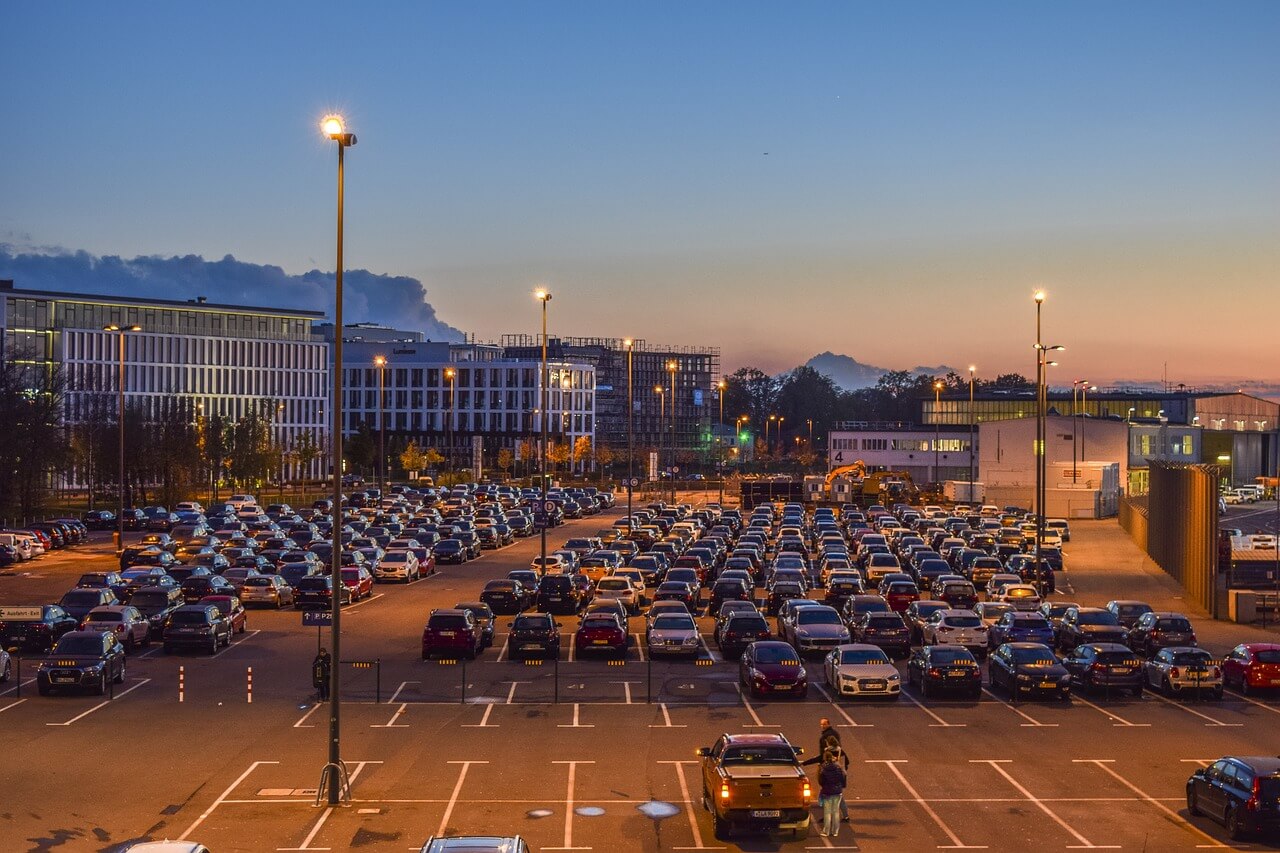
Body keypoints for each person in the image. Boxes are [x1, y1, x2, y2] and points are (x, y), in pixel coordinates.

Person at [802, 718, 850, 821]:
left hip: (829, 780)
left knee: (825, 797)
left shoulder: (827, 754)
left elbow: (819, 759)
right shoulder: (840, 751)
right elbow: (847, 761)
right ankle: (845, 816)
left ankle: (827, 817)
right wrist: (843, 770)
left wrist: (804, 763)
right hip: (838, 777)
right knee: (839, 797)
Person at [818, 748, 847, 838]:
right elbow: (842, 778)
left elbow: (821, 782)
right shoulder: (838, 767)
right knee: (836, 812)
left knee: (827, 812)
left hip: (828, 792)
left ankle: (826, 831)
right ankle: (835, 832)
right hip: (838, 792)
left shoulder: (824, 769)